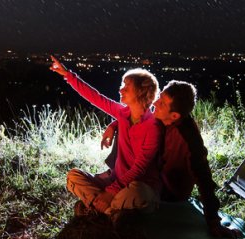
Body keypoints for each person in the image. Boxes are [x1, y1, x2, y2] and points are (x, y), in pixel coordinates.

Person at [49, 55, 163, 220]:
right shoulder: (122, 114)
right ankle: (111, 211)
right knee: (74, 176)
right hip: (115, 180)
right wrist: (68, 75)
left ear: (141, 92)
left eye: (127, 86)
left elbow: (140, 168)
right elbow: (95, 97)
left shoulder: (153, 127)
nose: (121, 89)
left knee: (137, 194)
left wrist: (110, 191)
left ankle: (97, 206)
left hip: (141, 185)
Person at [150, 81, 243, 238]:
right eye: (159, 98)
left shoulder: (188, 138)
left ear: (174, 116)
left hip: (168, 193)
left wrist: (213, 222)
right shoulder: (161, 121)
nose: (155, 103)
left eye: (162, 102)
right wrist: (113, 127)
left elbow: (203, 177)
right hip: (154, 179)